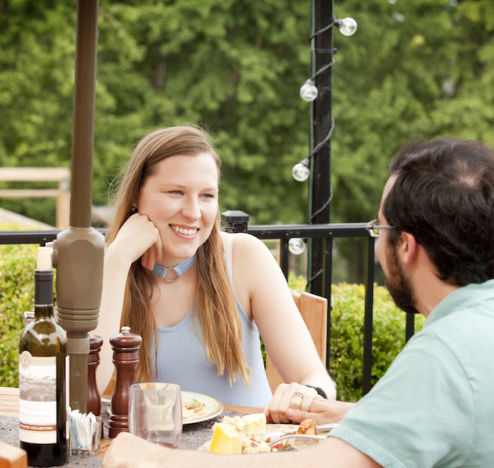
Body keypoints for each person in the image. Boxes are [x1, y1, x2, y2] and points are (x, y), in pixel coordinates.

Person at [101, 137, 494, 468]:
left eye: (378, 231)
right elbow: (453, 420)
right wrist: (326, 408)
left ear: (407, 247)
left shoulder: (447, 357)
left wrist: (154, 461)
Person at [92, 125, 335, 414]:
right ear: (136, 195)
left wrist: (307, 393)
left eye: (207, 196)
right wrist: (118, 257)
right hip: (151, 453)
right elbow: (80, 391)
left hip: (241, 450)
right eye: (176, 192)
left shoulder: (244, 257)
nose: (194, 212)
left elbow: (316, 378)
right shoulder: (110, 269)